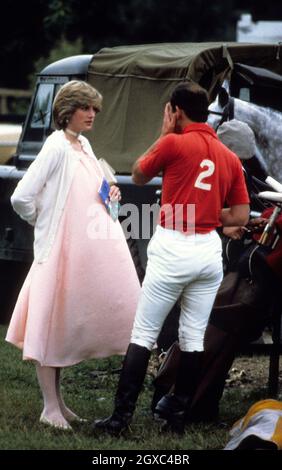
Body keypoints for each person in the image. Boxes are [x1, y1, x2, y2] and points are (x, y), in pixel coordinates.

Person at [93, 81, 250, 435]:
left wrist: (162, 133)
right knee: (193, 336)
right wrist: (207, 213)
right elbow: (240, 217)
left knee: (144, 333)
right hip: (208, 253)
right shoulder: (227, 156)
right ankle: (175, 417)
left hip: (173, 247)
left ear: (175, 112)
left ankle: (120, 419)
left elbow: (138, 173)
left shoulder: (173, 141)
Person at [5, 80, 140, 430]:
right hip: (59, 251)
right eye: (86, 108)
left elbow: (95, 183)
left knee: (62, 325)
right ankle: (49, 406)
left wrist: (108, 189)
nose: (92, 114)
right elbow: (22, 196)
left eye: (95, 108)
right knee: (49, 325)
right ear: (68, 111)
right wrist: (46, 219)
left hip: (83, 252)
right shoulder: (56, 147)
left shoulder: (83, 144)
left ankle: (58, 403)